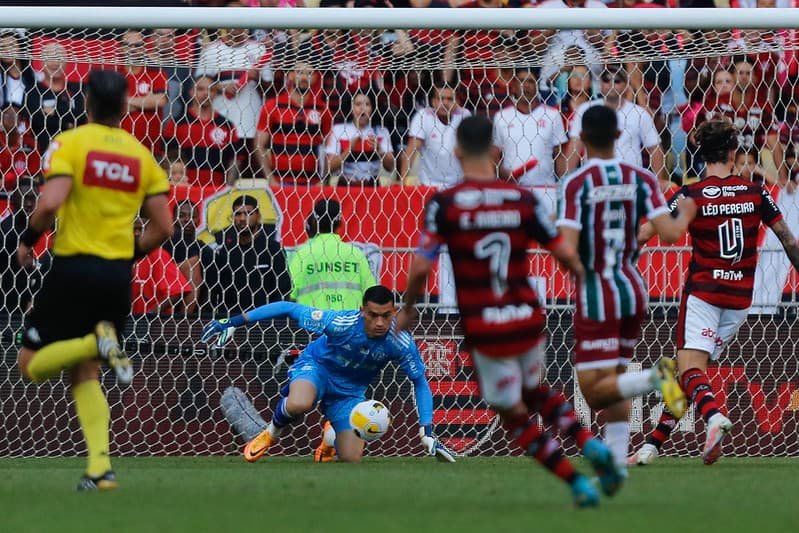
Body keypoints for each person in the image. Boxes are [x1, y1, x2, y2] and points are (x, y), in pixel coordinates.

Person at [396, 114, 621, 508]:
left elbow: (419, 266)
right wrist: (588, 284)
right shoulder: (522, 199)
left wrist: (409, 309)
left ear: (457, 151)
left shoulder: (444, 203)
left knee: (512, 413)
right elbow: (565, 253)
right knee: (535, 391)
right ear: (496, 150)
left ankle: (578, 484)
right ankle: (588, 443)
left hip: (485, 325)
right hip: (526, 317)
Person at [14, 69, 172, 491]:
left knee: (29, 366)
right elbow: (164, 227)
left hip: (72, 269)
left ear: (86, 101)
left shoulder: (71, 142)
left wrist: (29, 238)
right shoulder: (142, 155)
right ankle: (100, 469)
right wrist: (129, 253)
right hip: (116, 276)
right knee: (87, 375)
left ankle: (94, 342)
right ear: (124, 106)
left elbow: (49, 203)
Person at [629, 119, 799, 466]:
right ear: (735, 153)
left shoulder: (690, 195)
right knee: (688, 373)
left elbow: (645, 234)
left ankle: (714, 418)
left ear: (699, 153)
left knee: (690, 371)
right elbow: (788, 239)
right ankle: (651, 447)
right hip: (739, 300)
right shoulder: (756, 193)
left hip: (704, 293)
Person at [556, 104, 694, 478]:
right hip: (634, 288)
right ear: (619, 137)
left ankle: (658, 377)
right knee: (614, 381)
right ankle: (618, 466)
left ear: (581, 140)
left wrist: (582, 275)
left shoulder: (575, 183)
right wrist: (689, 211)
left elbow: (566, 247)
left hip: (598, 290)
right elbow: (670, 234)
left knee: (594, 390)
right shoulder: (643, 179)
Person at [200, 285, 457, 465]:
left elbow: (420, 381)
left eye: (386, 316)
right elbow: (288, 308)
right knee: (300, 403)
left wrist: (428, 431)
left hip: (349, 393)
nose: (380, 323)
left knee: (351, 458)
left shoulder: (400, 341)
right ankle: (271, 432)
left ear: (394, 313)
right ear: (362, 311)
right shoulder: (339, 322)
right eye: (373, 315)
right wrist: (234, 321)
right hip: (317, 370)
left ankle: (329, 437)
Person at [568, 68, 667, 190]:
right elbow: (574, 147)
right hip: (595, 180)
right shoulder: (586, 110)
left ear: (626, 85)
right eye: (606, 80)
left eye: (617, 80)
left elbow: (655, 147)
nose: (611, 84)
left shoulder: (639, 113)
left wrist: (659, 180)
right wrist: (566, 180)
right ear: (600, 84)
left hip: (630, 182)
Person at [289, 198, 377, 311]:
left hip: (312, 324)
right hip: (349, 323)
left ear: (314, 221)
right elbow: (371, 294)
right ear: (340, 222)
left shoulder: (303, 254)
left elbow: (290, 295)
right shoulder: (355, 254)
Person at [254, 61, 332, 186]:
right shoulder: (273, 106)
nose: (304, 77)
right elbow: (259, 145)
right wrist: (270, 179)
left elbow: (330, 148)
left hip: (312, 183)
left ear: (316, 78)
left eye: (309, 73)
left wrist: (323, 180)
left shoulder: (322, 108)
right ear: (290, 75)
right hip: (280, 182)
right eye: (300, 72)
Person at [210, 194, 292, 313]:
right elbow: (217, 291)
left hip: (265, 323)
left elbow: (283, 289)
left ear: (258, 216)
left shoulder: (273, 249)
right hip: (234, 322)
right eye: (238, 214)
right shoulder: (225, 252)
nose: (242, 218)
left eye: (248, 213)